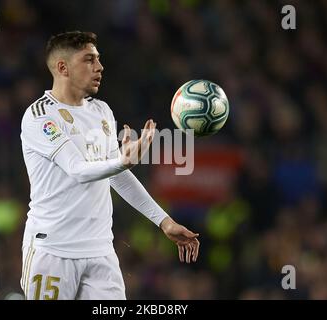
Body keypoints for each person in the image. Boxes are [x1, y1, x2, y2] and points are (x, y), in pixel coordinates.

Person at [19, 31, 200, 300]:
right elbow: (78, 170)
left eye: (99, 59)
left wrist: (164, 221)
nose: (100, 67)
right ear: (62, 67)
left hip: (100, 252)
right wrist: (122, 161)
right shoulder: (40, 116)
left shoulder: (101, 111)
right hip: (53, 251)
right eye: (89, 60)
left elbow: (116, 176)